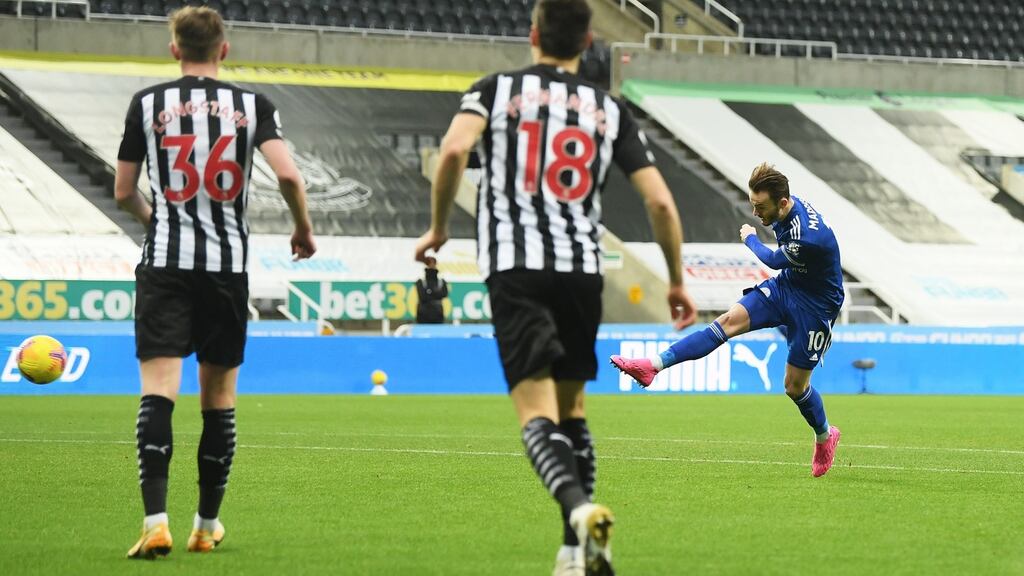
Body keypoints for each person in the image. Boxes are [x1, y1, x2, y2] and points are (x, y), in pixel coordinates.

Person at [414, 1, 697, 573]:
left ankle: (578, 511)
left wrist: (440, 227)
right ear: (589, 40)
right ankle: (573, 556)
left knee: (534, 412)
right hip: (581, 271)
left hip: (516, 268)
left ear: (533, 33)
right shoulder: (610, 109)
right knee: (574, 411)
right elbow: (661, 201)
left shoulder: (495, 91)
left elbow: (452, 150)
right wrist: (675, 280)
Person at [114, 6, 316, 559]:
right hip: (226, 269)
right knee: (218, 398)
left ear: (175, 48)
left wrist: (161, 223)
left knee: (158, 389)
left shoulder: (147, 104)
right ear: (223, 50)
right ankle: (205, 525)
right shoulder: (253, 106)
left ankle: (156, 521)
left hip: (166, 265)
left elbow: (123, 190)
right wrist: (303, 227)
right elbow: (290, 176)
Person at [611, 162, 843, 477]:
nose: (756, 214)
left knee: (793, 386)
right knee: (728, 321)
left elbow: (774, 259)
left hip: (817, 306)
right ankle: (652, 366)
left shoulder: (807, 236)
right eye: (753, 206)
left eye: (761, 208)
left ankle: (825, 437)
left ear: (783, 203)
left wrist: (749, 237)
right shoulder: (785, 205)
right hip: (789, 286)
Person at [415, 256, 449, 323]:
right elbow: (422, 296)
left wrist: (429, 292)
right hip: (423, 315)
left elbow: (444, 294)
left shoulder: (441, 281)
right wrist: (435, 293)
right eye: (429, 263)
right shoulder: (421, 281)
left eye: (433, 263)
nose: (431, 265)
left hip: (437, 314)